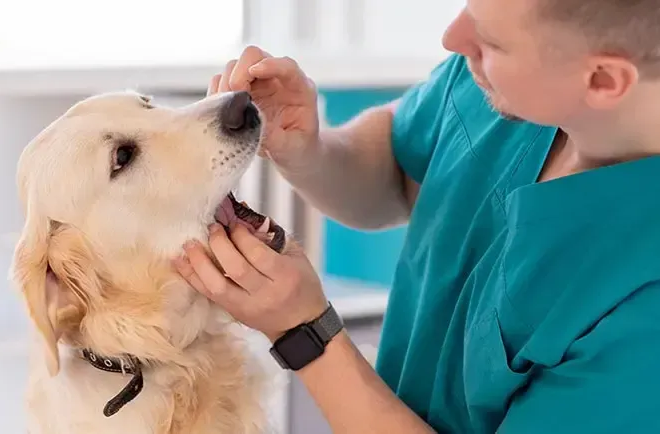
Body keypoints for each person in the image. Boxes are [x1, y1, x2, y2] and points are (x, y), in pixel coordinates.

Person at [172, 0, 660, 432]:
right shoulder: (498, 85)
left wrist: (304, 332)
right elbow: (395, 173)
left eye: (491, 42)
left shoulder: (645, 314)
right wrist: (310, 150)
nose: (453, 38)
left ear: (602, 80)